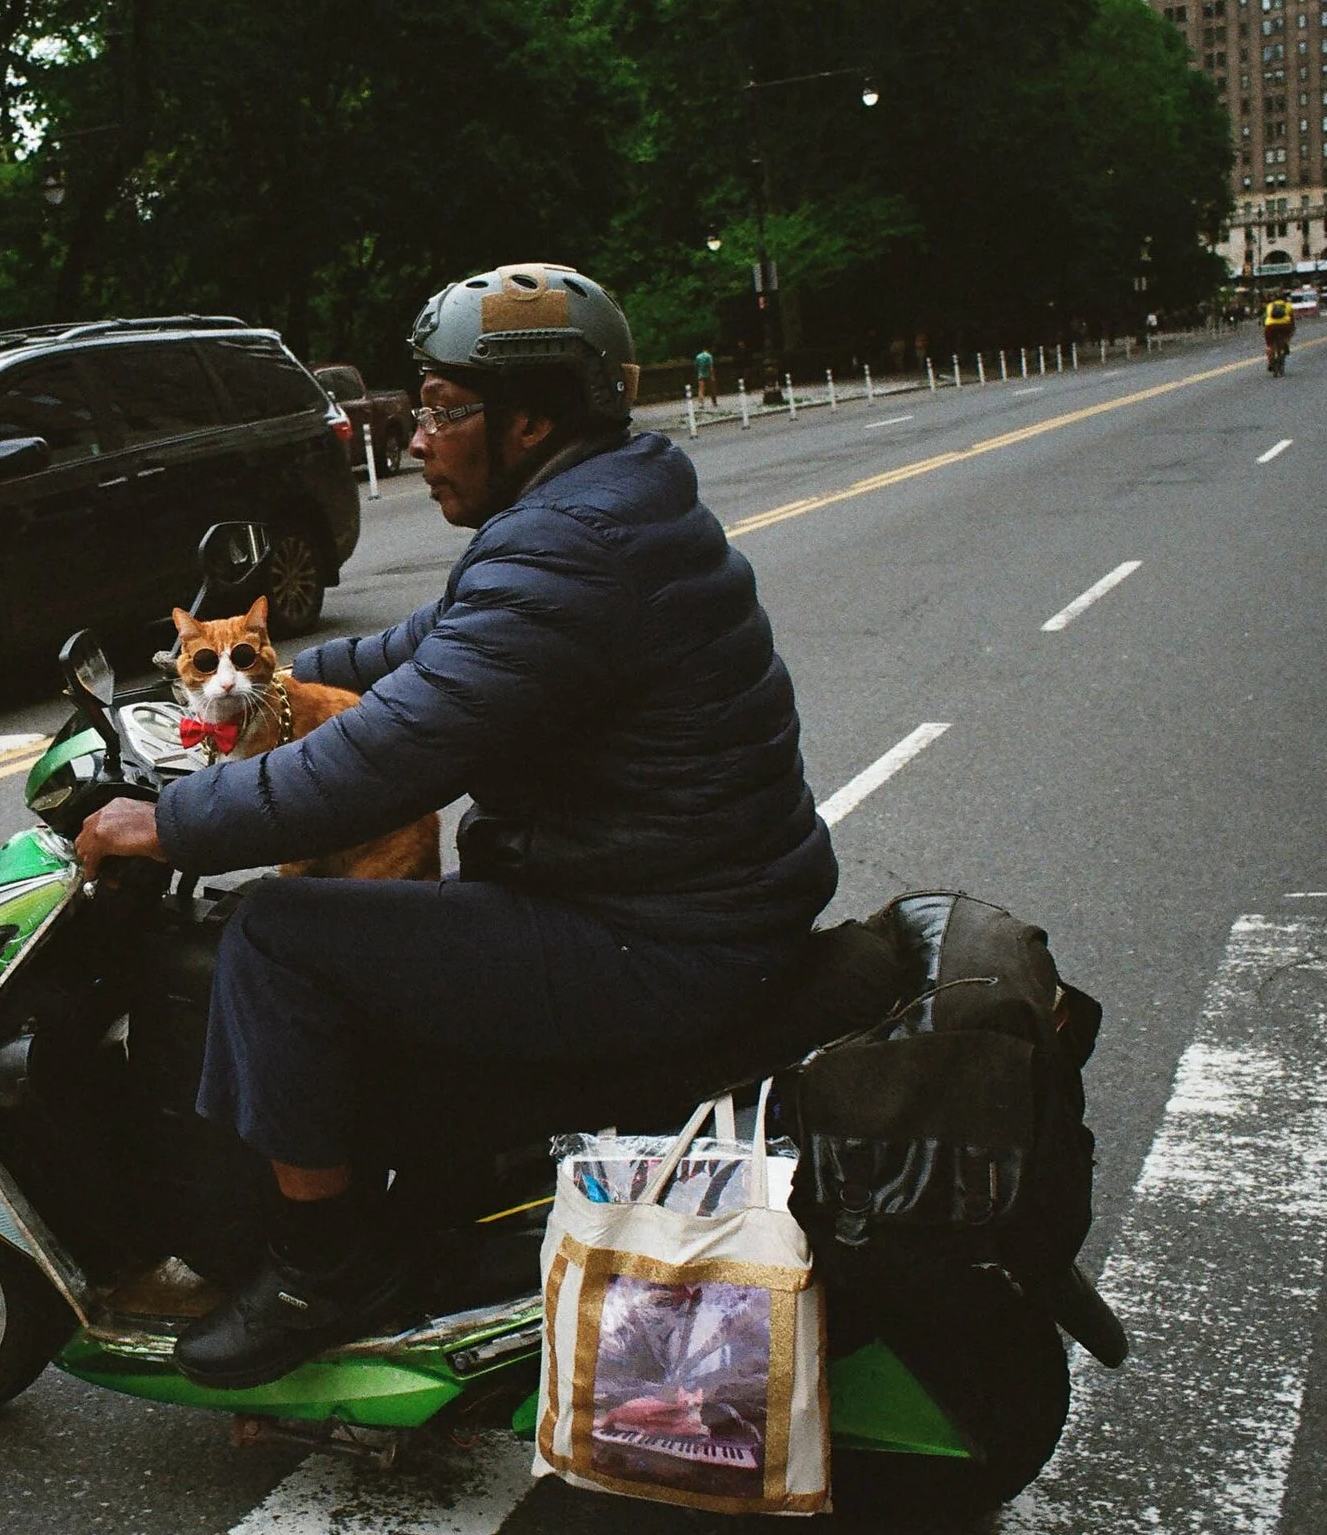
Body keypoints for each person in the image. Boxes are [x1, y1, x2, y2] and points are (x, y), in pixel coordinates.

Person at [74, 263, 838, 1389]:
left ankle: (321, 1270)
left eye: (439, 408)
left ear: (527, 420)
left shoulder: (568, 549)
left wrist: (172, 820)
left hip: (663, 940)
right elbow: (419, 651)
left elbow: (388, 756)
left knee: (278, 934)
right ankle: (422, 1213)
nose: (416, 435)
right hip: (685, 901)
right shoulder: (597, 505)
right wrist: (243, 700)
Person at [1262, 296, 1295, 366]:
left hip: (1271, 326)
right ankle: (1285, 343)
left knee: (1269, 345)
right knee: (1288, 334)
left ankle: (1271, 362)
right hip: (1284, 325)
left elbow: (1265, 317)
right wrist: (1292, 327)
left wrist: (1264, 326)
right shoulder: (1288, 305)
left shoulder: (1270, 305)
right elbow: (1292, 318)